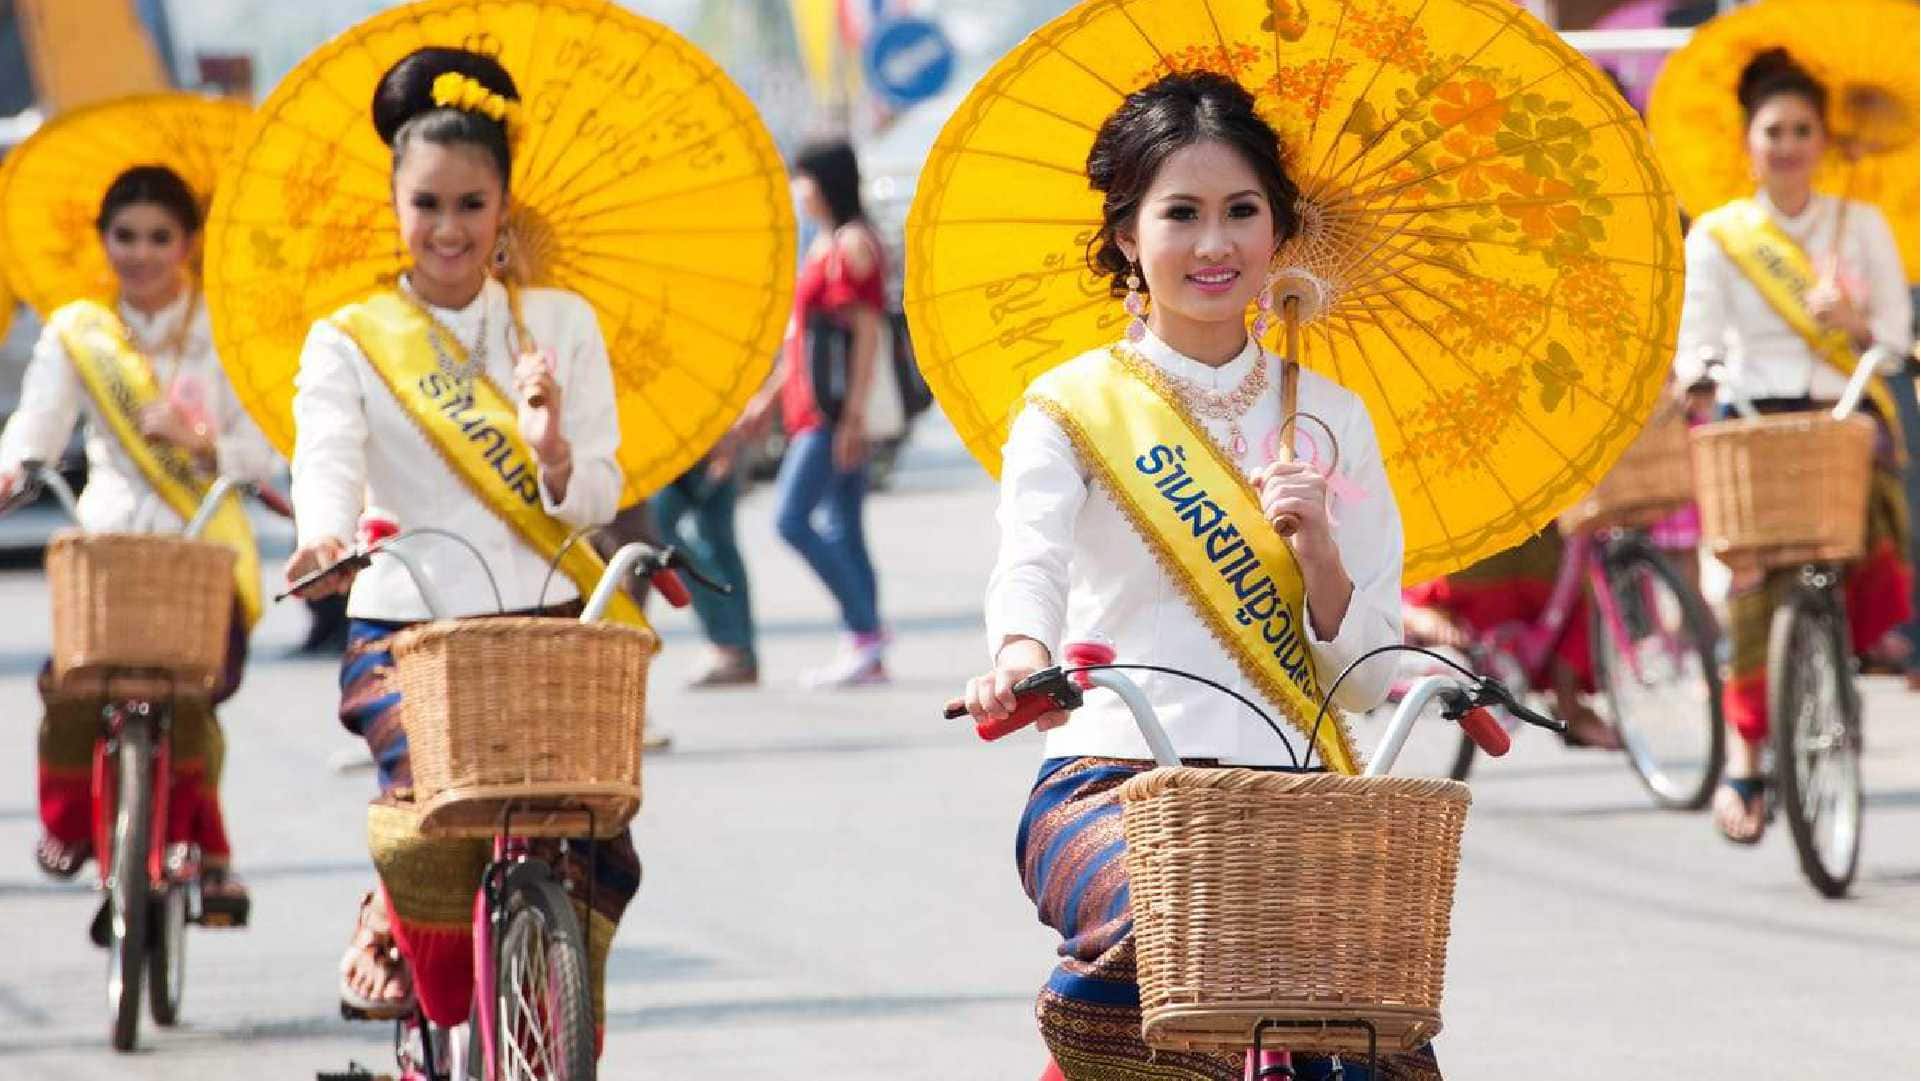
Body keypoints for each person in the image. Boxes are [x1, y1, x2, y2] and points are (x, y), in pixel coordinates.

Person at [958, 72, 1435, 1080]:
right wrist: (1018, 654)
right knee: (1161, 931)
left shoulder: (1334, 419)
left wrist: (1318, 555)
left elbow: (1365, 677)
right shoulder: (1069, 406)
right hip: (1110, 780)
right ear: (1128, 234)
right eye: (1181, 213)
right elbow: (1029, 561)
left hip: (1297, 795)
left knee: (1381, 1039)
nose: (1213, 245)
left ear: (1278, 231)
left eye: (1240, 212)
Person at [281, 47, 642, 1037]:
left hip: (551, 624)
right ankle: (400, 923)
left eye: (471, 205)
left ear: (503, 207)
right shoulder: (349, 338)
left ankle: (551, 1018)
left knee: (592, 836)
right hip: (407, 625)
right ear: (394, 205)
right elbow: (331, 453)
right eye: (428, 204)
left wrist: (552, 446)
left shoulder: (559, 325)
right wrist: (321, 535)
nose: (449, 229)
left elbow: (600, 491)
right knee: (431, 828)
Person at [0, 164, 277, 920]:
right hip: (111, 543)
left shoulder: (225, 329)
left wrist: (201, 441)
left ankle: (199, 843)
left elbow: (263, 451)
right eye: (126, 236)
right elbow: (37, 423)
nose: (142, 253)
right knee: (69, 686)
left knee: (191, 696)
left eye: (160, 237)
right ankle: (69, 825)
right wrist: (15, 467)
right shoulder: (78, 330)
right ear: (103, 240)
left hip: (202, 544)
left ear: (188, 243)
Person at [1671, 49, 1915, 844]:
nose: (1786, 143)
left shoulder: (1860, 224)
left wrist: (1850, 322)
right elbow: (1696, 339)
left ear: (1820, 139)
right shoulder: (1717, 233)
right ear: (1747, 141)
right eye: (1772, 129)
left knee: (1873, 526)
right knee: (1748, 582)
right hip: (1750, 420)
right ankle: (1746, 753)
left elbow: (1894, 338)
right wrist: (1697, 376)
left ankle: (1880, 638)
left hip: (1838, 409)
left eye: (1801, 129)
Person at [734, 138, 889, 688]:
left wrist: (852, 418)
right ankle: (865, 647)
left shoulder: (851, 245)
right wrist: (768, 399)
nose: (797, 191)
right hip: (810, 407)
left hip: (830, 413)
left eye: (802, 179)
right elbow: (802, 339)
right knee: (844, 528)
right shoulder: (823, 242)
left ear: (824, 182)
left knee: (791, 519)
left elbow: (866, 334)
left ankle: (865, 630)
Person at [1401, 529, 1622, 750]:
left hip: (1534, 568)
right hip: (1479, 571)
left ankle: (1570, 703)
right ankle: (1415, 609)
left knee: (1579, 583)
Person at [652, 453, 759, 687]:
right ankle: (738, 652)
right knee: (717, 542)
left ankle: (730, 644)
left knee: (657, 528)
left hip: (692, 443)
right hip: (705, 438)